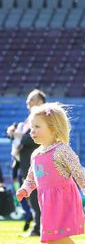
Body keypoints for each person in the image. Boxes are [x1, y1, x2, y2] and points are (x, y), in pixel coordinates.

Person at [16, 102, 85, 244]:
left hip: (63, 198)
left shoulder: (61, 150)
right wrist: (25, 188)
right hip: (47, 200)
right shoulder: (36, 154)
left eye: (37, 127)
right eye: (32, 127)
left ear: (53, 128)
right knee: (52, 232)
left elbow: (77, 170)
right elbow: (32, 176)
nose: (32, 131)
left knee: (58, 232)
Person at [7, 89, 46, 236]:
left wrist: (19, 135)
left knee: (36, 195)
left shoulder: (43, 116)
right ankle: (38, 227)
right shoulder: (30, 118)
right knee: (32, 196)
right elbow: (24, 137)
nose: (28, 102)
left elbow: (36, 137)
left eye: (31, 99)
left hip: (35, 162)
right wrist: (15, 132)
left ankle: (39, 228)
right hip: (25, 161)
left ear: (40, 102)